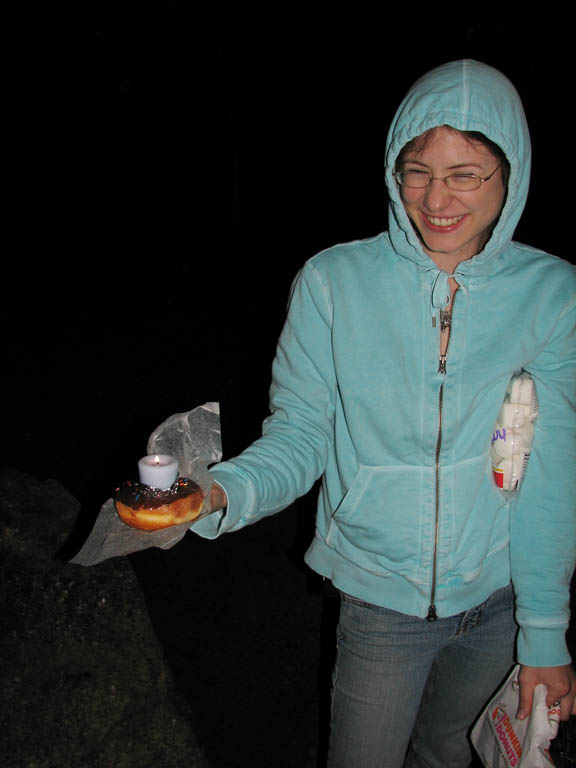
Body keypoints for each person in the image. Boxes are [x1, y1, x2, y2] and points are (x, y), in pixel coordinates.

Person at [195, 60, 576, 766]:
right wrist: (222, 491)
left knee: (445, 750)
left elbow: (552, 474)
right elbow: (303, 432)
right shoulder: (334, 282)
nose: (436, 198)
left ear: (511, 174)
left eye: (466, 173)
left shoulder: (552, 293)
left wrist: (545, 633)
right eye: (416, 170)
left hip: (500, 596)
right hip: (380, 603)